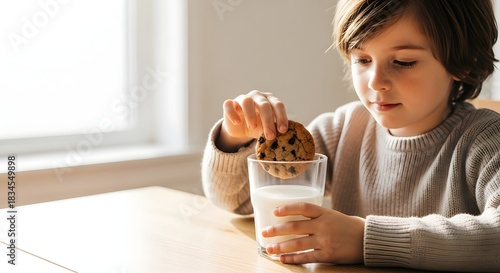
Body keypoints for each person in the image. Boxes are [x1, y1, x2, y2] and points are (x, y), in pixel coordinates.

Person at [201, 0, 500, 271]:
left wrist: (366, 240)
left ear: (465, 62)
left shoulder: (486, 140)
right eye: (362, 60)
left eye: (404, 61)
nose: (376, 82)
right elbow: (238, 203)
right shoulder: (344, 130)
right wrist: (234, 138)